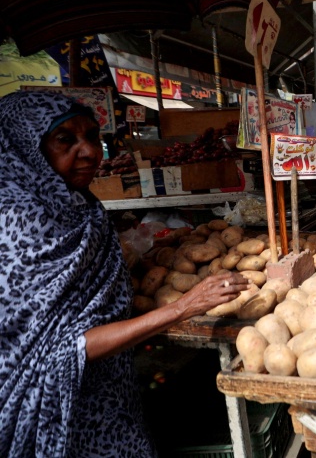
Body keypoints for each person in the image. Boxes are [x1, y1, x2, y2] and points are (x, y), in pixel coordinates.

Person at [0, 90, 248, 457]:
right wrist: (182, 307)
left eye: (90, 136)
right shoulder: (18, 223)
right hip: (54, 411)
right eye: (65, 139)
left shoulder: (78, 203)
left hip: (105, 391)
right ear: (23, 148)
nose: (89, 151)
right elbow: (63, 351)